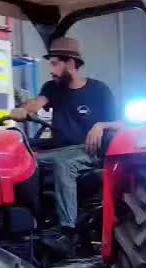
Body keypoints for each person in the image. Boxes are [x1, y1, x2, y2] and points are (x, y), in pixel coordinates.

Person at [10, 37, 122, 256]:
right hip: (57, 150)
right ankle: (31, 225)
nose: (51, 70)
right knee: (21, 160)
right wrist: (23, 110)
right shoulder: (52, 88)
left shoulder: (99, 90)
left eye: (55, 64)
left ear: (71, 64)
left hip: (88, 152)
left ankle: (67, 233)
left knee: (64, 165)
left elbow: (121, 124)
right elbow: (37, 104)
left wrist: (101, 125)